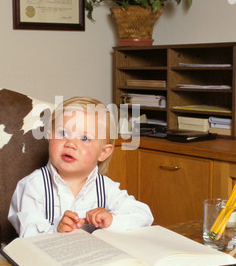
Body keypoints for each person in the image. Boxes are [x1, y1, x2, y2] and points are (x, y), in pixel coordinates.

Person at [8, 97, 153, 237]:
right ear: (49, 137)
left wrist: (112, 220)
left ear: (103, 153)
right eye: (63, 133)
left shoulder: (105, 187)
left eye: (84, 138)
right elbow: (28, 233)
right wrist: (56, 229)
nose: (70, 143)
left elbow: (143, 215)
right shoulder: (34, 185)